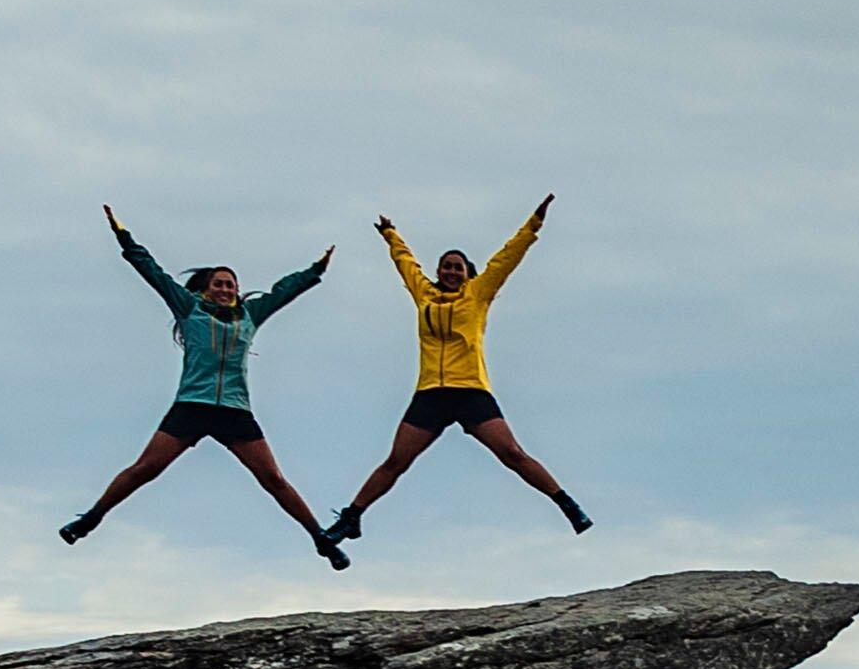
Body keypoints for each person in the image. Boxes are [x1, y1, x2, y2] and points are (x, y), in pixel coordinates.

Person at [63, 209, 344, 562]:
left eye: (231, 284)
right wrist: (125, 238)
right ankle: (89, 519)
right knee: (145, 469)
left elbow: (284, 292)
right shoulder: (189, 308)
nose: (225, 289)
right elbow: (153, 273)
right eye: (219, 284)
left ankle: (322, 540)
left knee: (273, 479)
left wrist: (316, 270)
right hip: (192, 406)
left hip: (234, 410)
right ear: (207, 289)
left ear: (237, 291)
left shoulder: (250, 315)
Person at [324, 195, 592, 552]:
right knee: (396, 461)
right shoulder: (425, 297)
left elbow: (506, 258)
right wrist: (391, 235)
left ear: (468, 273)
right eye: (445, 267)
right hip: (431, 394)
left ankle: (566, 504)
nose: (450, 271)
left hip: (470, 392)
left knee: (512, 453)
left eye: (457, 267)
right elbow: (406, 265)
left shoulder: (478, 295)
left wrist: (534, 224)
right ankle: (351, 517)